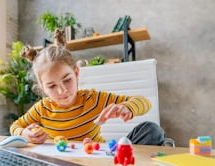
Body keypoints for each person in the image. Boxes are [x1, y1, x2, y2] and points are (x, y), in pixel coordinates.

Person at [10, 45, 165, 145]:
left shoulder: (93, 99)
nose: (62, 90)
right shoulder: (41, 109)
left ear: (76, 73)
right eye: (51, 86)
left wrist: (127, 107)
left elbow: (144, 101)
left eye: (67, 80)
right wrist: (24, 133)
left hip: (99, 156)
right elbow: (15, 126)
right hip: (59, 162)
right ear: (43, 87)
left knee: (152, 130)